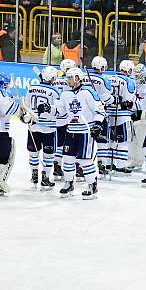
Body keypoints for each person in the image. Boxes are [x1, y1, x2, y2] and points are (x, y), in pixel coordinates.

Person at [55, 67, 105, 199]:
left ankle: (92, 186)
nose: (68, 80)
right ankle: (69, 184)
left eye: (70, 77)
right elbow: (60, 111)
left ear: (77, 78)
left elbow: (99, 110)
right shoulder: (65, 94)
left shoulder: (88, 92)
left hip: (85, 132)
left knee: (85, 161)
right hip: (70, 131)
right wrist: (49, 108)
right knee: (67, 159)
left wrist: (98, 124)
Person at [21, 66, 62, 190]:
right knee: (48, 155)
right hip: (49, 128)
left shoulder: (31, 88)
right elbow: (58, 111)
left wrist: (24, 117)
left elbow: (25, 106)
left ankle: (34, 176)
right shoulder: (55, 91)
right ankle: (45, 179)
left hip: (33, 126)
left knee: (33, 153)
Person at [106, 59, 138, 173]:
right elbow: (129, 101)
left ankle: (108, 164)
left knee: (110, 140)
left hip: (110, 114)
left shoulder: (109, 79)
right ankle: (120, 165)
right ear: (129, 70)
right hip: (123, 116)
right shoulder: (129, 81)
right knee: (124, 141)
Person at [86, 56, 115, 175]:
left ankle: (82, 166)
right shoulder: (104, 80)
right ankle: (101, 164)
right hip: (99, 113)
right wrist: (113, 99)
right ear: (102, 67)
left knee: (86, 140)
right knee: (102, 139)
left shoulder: (83, 77)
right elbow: (107, 99)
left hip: (86, 114)